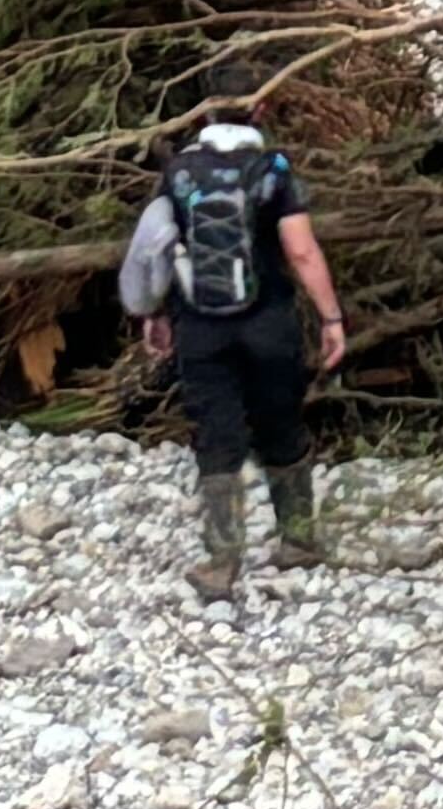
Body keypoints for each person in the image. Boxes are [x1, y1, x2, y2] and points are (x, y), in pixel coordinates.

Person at [118, 107, 347, 601]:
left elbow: (155, 248)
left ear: (205, 116)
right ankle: (299, 539)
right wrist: (331, 317)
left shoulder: (178, 172)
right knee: (281, 423)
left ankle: (222, 562)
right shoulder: (274, 170)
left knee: (214, 433)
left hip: (200, 327)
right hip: (269, 325)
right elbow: (302, 252)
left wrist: (153, 314)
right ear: (260, 111)